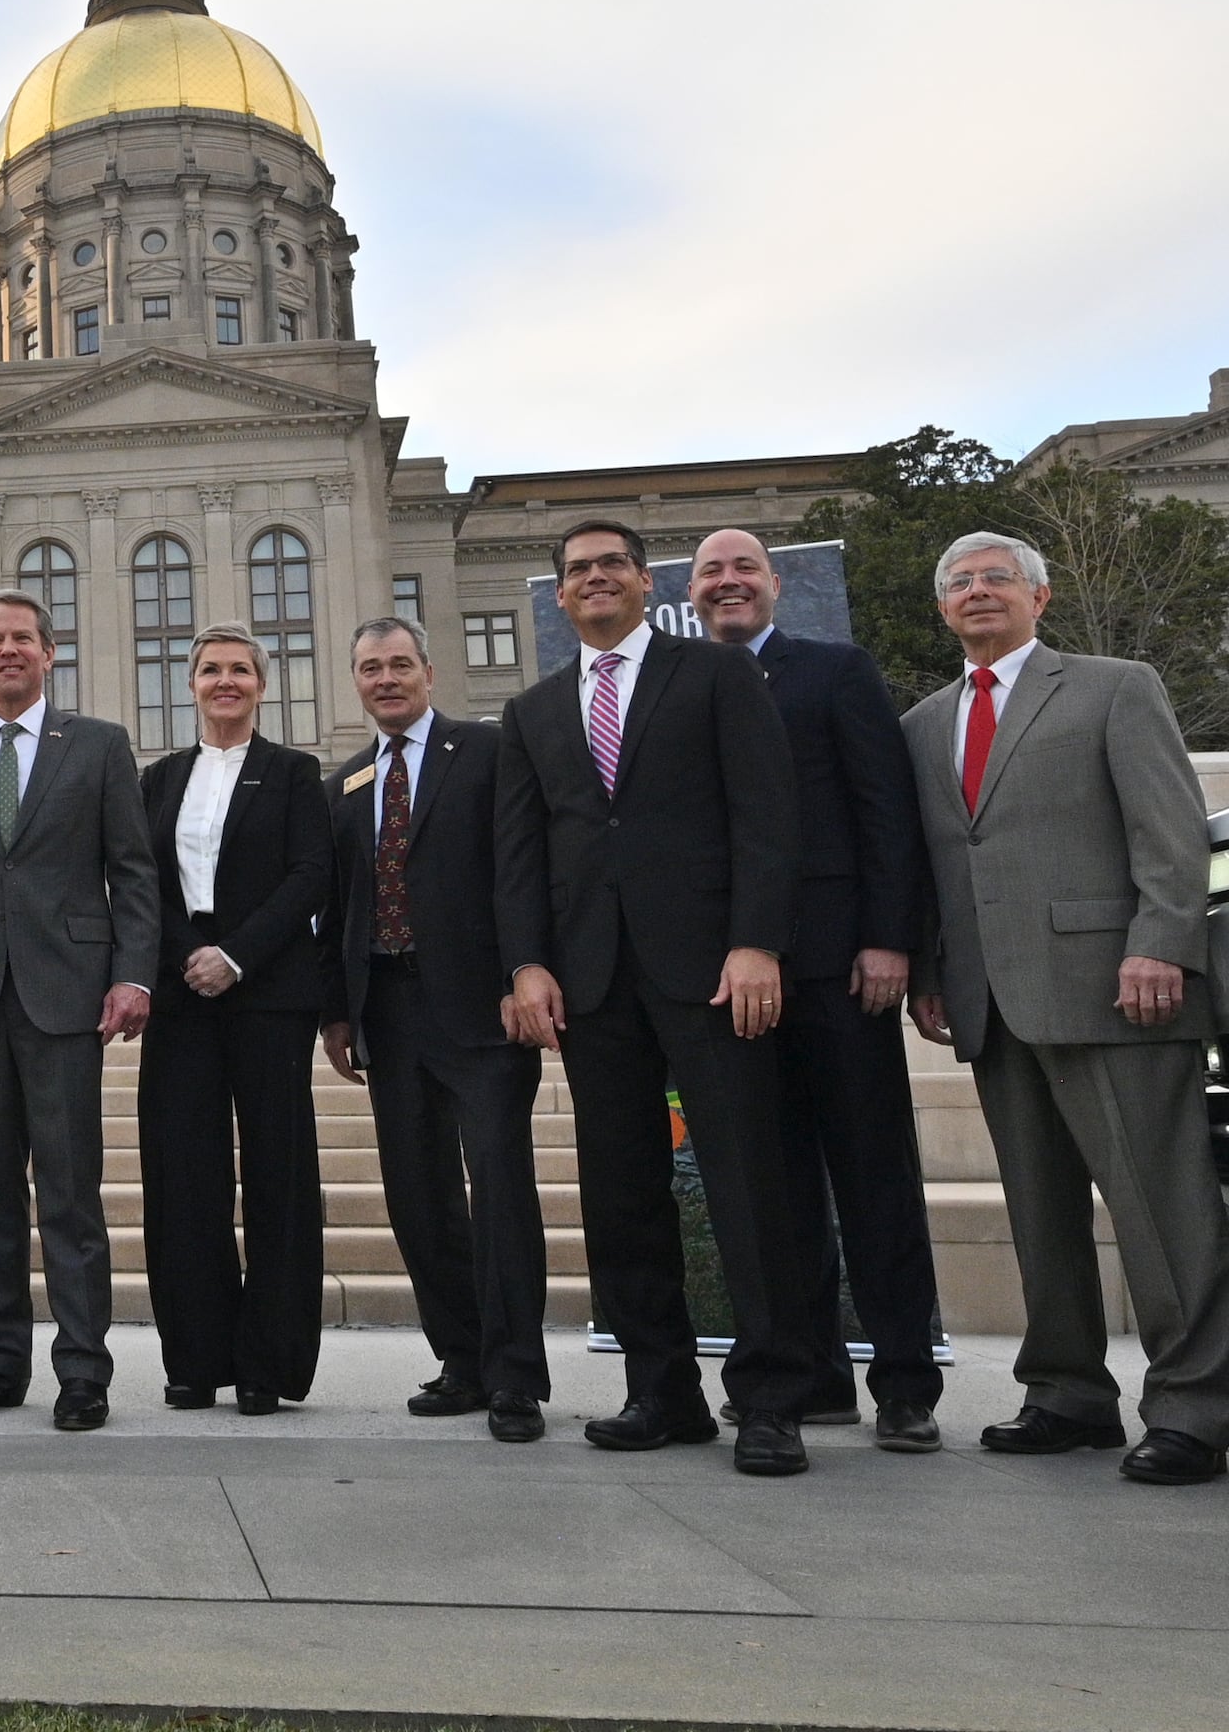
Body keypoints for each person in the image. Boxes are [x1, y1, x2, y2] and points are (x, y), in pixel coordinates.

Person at [905, 532, 1229, 1486]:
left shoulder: (1113, 686)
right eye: (960, 582)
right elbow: (941, 861)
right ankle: (1066, 1393)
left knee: (1162, 1208)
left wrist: (1160, 943)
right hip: (991, 1003)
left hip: (1116, 986)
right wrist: (935, 969)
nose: (978, 592)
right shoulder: (926, 722)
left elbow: (1170, 829)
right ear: (944, 609)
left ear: (1040, 597)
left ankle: (1193, 1410)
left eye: (997, 578)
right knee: (1039, 1215)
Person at [493, 517, 825, 1475]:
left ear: (645, 582)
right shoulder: (536, 710)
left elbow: (767, 814)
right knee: (622, 1190)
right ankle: (660, 1389)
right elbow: (521, 858)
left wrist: (756, 941)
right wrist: (527, 964)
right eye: (576, 572)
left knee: (745, 1184)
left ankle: (769, 1399)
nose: (594, 580)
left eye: (611, 566)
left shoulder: (717, 676)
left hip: (713, 974)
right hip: (593, 984)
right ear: (559, 596)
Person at [689, 528, 946, 1455]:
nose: (728, 583)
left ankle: (907, 1383)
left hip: (841, 967)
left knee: (873, 1176)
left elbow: (885, 809)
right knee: (775, 1188)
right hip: (733, 981)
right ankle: (812, 1374)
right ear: (692, 593)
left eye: (742, 568)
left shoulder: (833, 672)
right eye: (711, 572)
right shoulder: (683, 689)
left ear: (774, 583)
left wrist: (889, 939)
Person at [0, 587, 159, 1432]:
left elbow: (133, 870)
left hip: (65, 1000)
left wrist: (134, 975)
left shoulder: (96, 746)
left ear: (51, 654)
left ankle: (83, 1370)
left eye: (25, 638)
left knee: (71, 1195)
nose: (9, 650)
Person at [325, 616, 547, 1443]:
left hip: (481, 1011)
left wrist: (525, 971)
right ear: (356, 681)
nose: (385, 679)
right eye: (370, 667)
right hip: (389, 1012)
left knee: (498, 1191)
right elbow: (340, 907)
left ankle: (517, 1374)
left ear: (429, 669)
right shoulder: (346, 784)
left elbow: (522, 870)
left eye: (399, 664)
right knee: (418, 1198)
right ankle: (462, 1359)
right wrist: (337, 1011)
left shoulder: (486, 755)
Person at [136, 625, 335, 1414]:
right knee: (183, 1177)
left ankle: (269, 1364)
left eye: (241, 671)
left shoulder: (294, 773)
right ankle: (195, 1358)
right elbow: (142, 878)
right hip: (182, 996)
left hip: (269, 993)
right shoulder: (160, 778)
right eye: (212, 670)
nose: (226, 681)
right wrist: (192, 954)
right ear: (191, 684)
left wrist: (237, 955)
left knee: (279, 1178)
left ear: (262, 684)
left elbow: (310, 875)